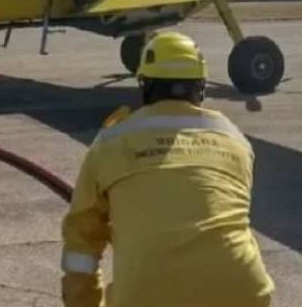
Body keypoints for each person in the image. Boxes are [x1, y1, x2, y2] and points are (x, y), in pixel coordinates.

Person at [60, 32, 274, 307]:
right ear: (201, 88)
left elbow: (82, 243)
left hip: (146, 297)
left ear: (145, 86)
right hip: (243, 293)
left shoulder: (111, 141)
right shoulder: (234, 140)